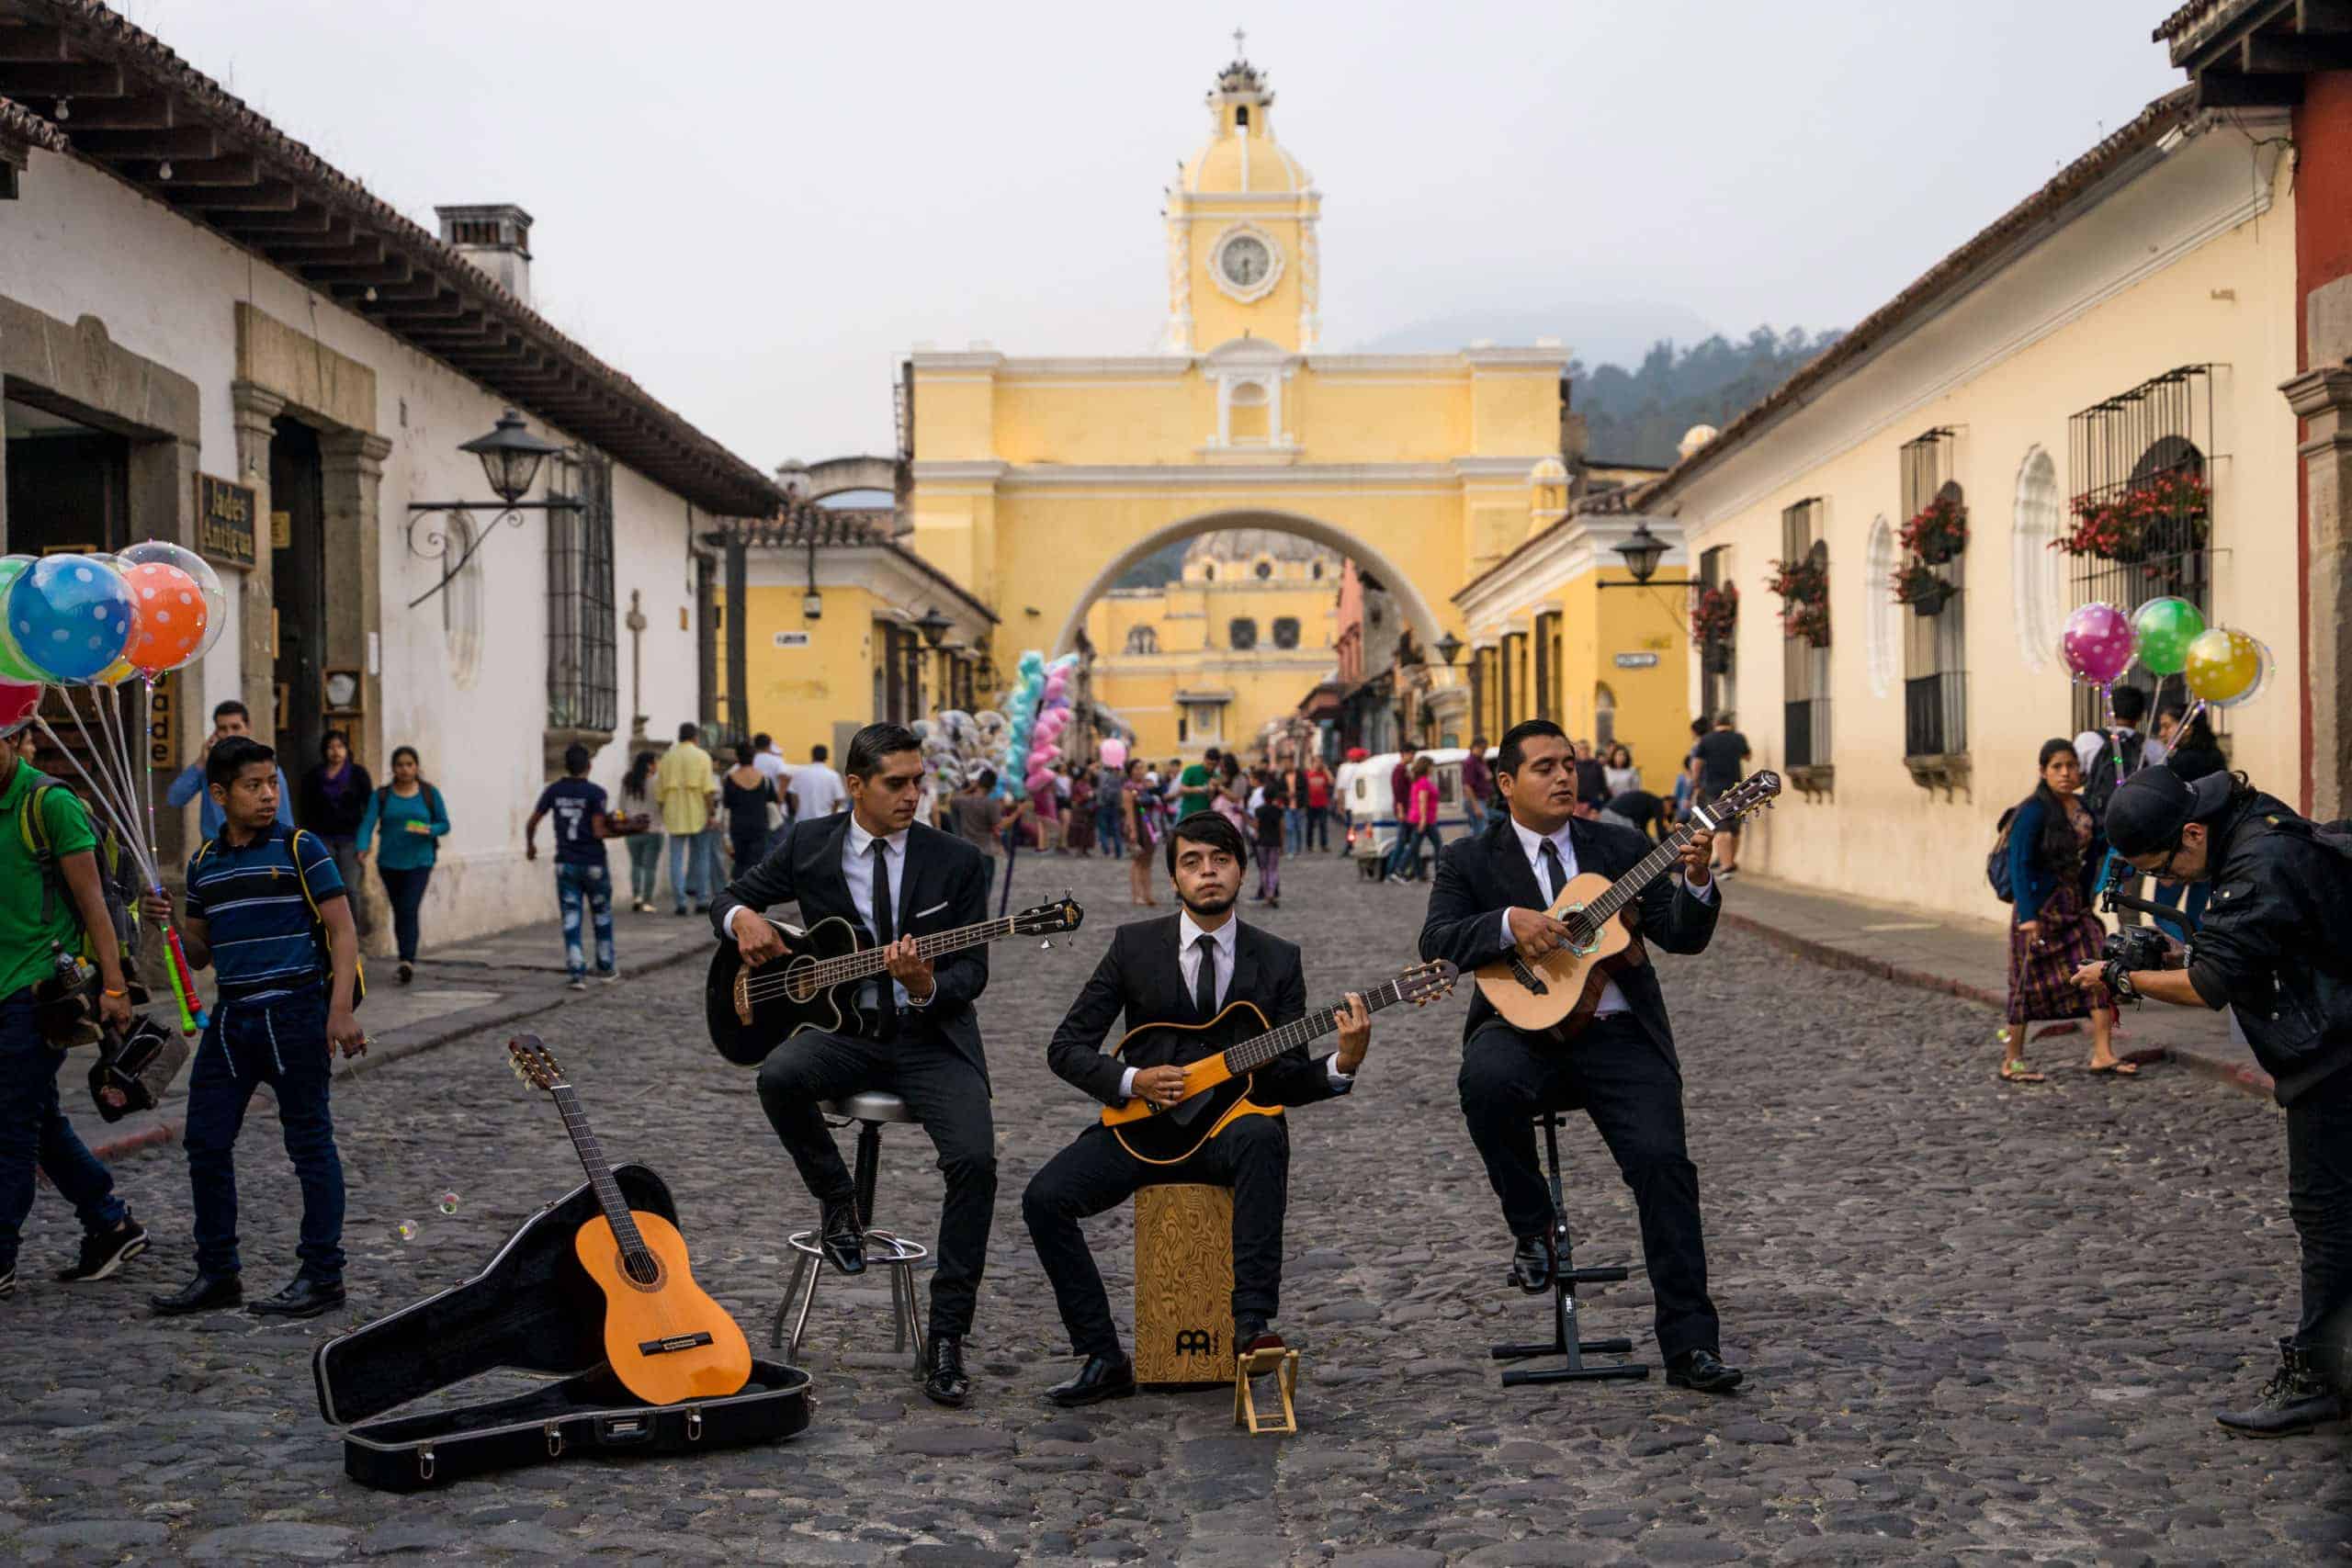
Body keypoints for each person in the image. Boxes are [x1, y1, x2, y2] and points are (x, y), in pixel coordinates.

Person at [1419, 718, 1742, 1394]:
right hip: (1522, 1029)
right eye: (1544, 766)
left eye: (1569, 763)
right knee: (1484, 1082)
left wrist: (1699, 878)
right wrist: (1509, 923)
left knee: (1664, 1164)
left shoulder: (1622, 846)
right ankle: (1532, 1225)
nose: (1564, 776)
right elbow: (1439, 940)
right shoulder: (1470, 860)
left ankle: (1690, 1345)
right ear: (1507, 783)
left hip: (1619, 1034)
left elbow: (1681, 937)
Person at [1024, 811, 1371, 1405]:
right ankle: (1102, 1355)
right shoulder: (1133, 946)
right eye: (1192, 862)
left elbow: (1284, 1079)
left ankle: (1252, 1325)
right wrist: (1132, 1079)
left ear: (1242, 869)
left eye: (1220, 859)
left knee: (1265, 1133)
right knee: (1043, 1199)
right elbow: (1066, 1047)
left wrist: (1343, 1062)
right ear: (1174, 877)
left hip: (1225, 1135)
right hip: (1143, 1133)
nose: (1207, 872)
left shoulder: (1279, 958)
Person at [713, 723, 995, 1408]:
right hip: (846, 1036)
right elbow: (727, 896)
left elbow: (973, 972)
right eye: (895, 783)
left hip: (930, 1037)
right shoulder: (811, 844)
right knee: (777, 1075)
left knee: (977, 1161)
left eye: (917, 782)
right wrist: (744, 918)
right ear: (855, 785)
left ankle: (948, 1337)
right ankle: (838, 1200)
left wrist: (927, 984)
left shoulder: (957, 860)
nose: (911, 795)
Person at [2078, 766, 2352, 1437]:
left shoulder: (2254, 866)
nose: (2169, 883)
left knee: (2326, 1217)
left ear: (2193, 830)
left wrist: (2120, 975)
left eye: (2165, 867)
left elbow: (2209, 985)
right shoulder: (2252, 823)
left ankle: (2315, 1377)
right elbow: (2260, 940)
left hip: (2334, 1056)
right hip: (2333, 1037)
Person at [143, 736, 363, 1320]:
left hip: (294, 1014)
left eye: (272, 783)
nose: (268, 795)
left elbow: (343, 931)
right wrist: (165, 925)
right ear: (219, 795)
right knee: (205, 1143)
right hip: (232, 1020)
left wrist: (339, 1011)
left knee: (309, 1145)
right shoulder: (203, 864)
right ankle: (218, 1272)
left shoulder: (301, 848)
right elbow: (200, 954)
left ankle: (323, 1275)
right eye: (253, 786)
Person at [0, 739, 146, 1303]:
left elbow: (93, 903)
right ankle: (110, 1223)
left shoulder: (49, 804)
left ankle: (1, 1256)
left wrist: (113, 985)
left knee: (10, 1126)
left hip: (36, 991)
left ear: (13, 739)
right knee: (41, 1121)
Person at [1998, 739, 2129, 1083]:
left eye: (2071, 765)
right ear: (2043, 771)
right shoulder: (2033, 811)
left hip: (2075, 907)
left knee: (2098, 970)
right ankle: (2013, 1060)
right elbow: (2019, 864)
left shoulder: (2083, 807)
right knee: (2025, 984)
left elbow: (2102, 843)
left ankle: (2103, 1053)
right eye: (2057, 767)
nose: (2066, 773)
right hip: (2040, 911)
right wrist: (2027, 916)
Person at [526, 743, 618, 991]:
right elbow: (599, 830)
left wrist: (531, 846)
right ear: (589, 766)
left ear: (566, 766)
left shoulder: (553, 791)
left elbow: (533, 821)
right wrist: (621, 830)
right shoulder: (596, 793)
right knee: (601, 913)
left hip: (566, 863)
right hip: (593, 862)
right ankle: (606, 966)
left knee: (571, 917)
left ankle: (577, 971)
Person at [355, 746, 448, 986]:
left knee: (408, 907)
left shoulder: (429, 793)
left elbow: (444, 824)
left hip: (420, 861)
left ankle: (407, 959)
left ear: (416, 767)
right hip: (389, 862)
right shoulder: (382, 795)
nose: (405, 769)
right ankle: (404, 958)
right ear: (393, 768)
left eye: (409, 764)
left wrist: (429, 829)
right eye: (400, 765)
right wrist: (362, 846)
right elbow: (367, 823)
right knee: (400, 909)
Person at [165, 700, 290, 842]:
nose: (230, 734)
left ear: (248, 728)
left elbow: (284, 819)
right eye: (223, 729)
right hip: (215, 847)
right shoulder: (209, 768)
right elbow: (174, 798)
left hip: (255, 847)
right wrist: (201, 762)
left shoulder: (267, 769)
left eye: (236, 727)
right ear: (216, 732)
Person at [2148, 703, 2223, 931]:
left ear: (2186, 727)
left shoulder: (2180, 763)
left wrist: (2168, 858)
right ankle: (2198, 957)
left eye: (2166, 726)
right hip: (2212, 846)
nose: (2161, 733)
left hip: (2181, 849)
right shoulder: (2215, 756)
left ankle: (2187, 954)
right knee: (2198, 917)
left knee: (2162, 914)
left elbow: (2172, 811)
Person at [294, 730, 373, 942]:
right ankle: (327, 933)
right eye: (330, 747)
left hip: (351, 839)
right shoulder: (313, 777)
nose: (335, 752)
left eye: (340, 746)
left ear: (347, 749)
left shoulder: (358, 774)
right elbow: (305, 810)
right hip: (322, 838)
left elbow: (370, 809)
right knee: (325, 887)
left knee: (350, 887)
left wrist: (365, 842)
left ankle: (352, 935)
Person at [655, 722, 719, 916]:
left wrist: (665, 811)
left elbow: (660, 794)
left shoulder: (667, 758)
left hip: (674, 815)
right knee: (702, 858)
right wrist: (711, 813)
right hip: (698, 814)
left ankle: (680, 903)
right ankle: (701, 900)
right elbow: (708, 791)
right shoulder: (702, 756)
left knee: (675, 859)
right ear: (695, 737)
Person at [947, 770, 1022, 911]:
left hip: (966, 852)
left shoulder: (963, 801)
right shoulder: (990, 804)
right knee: (982, 895)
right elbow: (1000, 826)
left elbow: (952, 800)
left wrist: (970, 788)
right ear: (993, 787)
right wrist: (1017, 813)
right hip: (985, 852)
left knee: (967, 893)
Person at [1690, 716, 1750, 876]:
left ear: (1715, 723)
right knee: (1734, 828)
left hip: (1712, 789)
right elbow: (1747, 756)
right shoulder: (1738, 738)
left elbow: (1697, 763)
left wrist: (1695, 782)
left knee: (1721, 828)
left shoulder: (1706, 740)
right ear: (1730, 724)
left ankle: (1726, 867)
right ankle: (1730, 861)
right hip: (1737, 788)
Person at [721, 745, 782, 876]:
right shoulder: (765, 779)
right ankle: (752, 892)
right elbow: (774, 801)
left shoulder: (730, 779)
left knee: (739, 864)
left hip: (737, 828)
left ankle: (738, 892)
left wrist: (725, 836)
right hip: (759, 827)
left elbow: (726, 808)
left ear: (737, 758)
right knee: (756, 864)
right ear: (753, 758)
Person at [618, 750, 663, 913]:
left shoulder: (627, 781)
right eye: (655, 762)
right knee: (650, 867)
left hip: (632, 829)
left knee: (636, 864)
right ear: (649, 765)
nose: (656, 766)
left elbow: (621, 806)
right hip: (653, 829)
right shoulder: (657, 782)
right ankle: (647, 901)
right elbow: (662, 805)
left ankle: (636, 896)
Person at [1387, 754, 1442, 886]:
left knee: (1414, 847)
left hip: (1418, 818)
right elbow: (1422, 801)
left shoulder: (1416, 781)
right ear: (1427, 767)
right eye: (1431, 766)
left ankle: (1404, 872)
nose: (1432, 769)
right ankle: (1399, 871)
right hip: (1425, 820)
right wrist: (1423, 819)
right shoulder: (1423, 782)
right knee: (1437, 845)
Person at [1120, 756, 1160, 908]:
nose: (1140, 771)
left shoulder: (1145, 786)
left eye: (1141, 768)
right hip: (1137, 826)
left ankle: (1148, 894)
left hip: (1149, 827)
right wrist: (1133, 832)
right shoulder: (1128, 788)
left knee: (1148, 862)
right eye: (1137, 768)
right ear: (1130, 771)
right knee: (1137, 861)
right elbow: (1129, 812)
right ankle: (1136, 895)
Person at [751, 732, 793, 852]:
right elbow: (785, 777)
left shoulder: (751, 760)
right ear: (769, 745)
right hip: (774, 807)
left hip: (755, 808)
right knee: (778, 842)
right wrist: (779, 799)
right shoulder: (775, 760)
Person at [1383, 747, 1420, 881]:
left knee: (1411, 843)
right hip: (1403, 811)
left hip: (1407, 810)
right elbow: (1398, 791)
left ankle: (1416, 872)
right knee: (1401, 843)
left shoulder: (1404, 770)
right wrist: (1400, 810)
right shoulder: (1399, 770)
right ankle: (1391, 873)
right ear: (1404, 754)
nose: (1413, 757)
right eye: (1411, 754)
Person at [790, 744, 847, 822]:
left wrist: (798, 811)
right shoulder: (833, 776)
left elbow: (793, 795)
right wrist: (832, 813)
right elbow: (838, 799)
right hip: (824, 821)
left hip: (802, 821)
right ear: (826, 757)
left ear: (812, 755)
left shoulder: (800, 773)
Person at [1252, 783, 1286, 908]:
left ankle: (1266, 894)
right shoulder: (1279, 811)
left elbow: (1256, 827)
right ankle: (1272, 893)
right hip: (1275, 843)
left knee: (1263, 869)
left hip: (1261, 843)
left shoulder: (1258, 810)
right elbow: (1282, 828)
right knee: (1273, 869)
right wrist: (1282, 844)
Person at [1600, 788, 1672, 843]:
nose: (1665, 815)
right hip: (1615, 814)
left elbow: (1642, 830)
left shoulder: (1649, 803)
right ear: (1668, 802)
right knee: (1631, 841)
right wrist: (1667, 846)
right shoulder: (1658, 803)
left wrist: (1652, 844)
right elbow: (1660, 829)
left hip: (1606, 813)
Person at [1093, 760, 1126, 861]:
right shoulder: (1119, 778)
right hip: (1115, 807)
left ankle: (1106, 848)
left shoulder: (1101, 776)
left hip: (1102, 806)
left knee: (1102, 829)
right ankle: (1118, 852)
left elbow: (1093, 770)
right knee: (1116, 830)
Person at [1176, 748, 1218, 820]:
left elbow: (1211, 799)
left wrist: (1212, 791)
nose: (1211, 767)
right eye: (1209, 764)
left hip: (1205, 816)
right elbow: (1181, 789)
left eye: (1214, 765)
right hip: (1188, 815)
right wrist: (1199, 789)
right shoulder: (1191, 770)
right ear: (1204, 759)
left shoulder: (1216, 776)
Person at [1460, 739, 1491, 833]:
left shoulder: (1480, 761)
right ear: (1475, 747)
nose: (1485, 751)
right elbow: (1467, 786)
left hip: (1481, 800)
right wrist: (1476, 807)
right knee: (1481, 831)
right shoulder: (1470, 762)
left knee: (1479, 830)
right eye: (1483, 749)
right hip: (1475, 800)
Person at [1305, 757, 1333, 851]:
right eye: (1317, 762)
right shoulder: (1308, 774)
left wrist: (1326, 770)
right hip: (1310, 804)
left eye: (1321, 762)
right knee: (1310, 825)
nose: (1319, 764)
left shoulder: (1324, 774)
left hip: (1322, 804)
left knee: (1323, 825)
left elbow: (1332, 782)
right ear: (1313, 763)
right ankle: (1309, 845)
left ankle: (1324, 845)